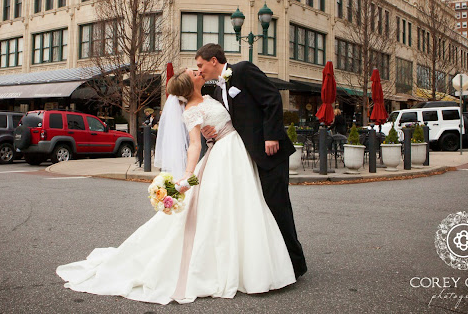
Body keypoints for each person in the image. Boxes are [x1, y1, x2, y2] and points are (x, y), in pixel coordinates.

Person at [56, 69, 295, 304]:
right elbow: (194, 144)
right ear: (190, 86)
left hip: (235, 152)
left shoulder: (210, 96)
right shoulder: (191, 111)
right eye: (194, 74)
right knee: (222, 209)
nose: (199, 72)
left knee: (243, 206)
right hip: (222, 155)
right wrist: (188, 177)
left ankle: (248, 263)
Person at [195, 43, 307, 279]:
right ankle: (272, 264)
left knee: (278, 207)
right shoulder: (216, 92)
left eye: (200, 65)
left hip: (270, 153)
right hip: (246, 158)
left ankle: (295, 265)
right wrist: (210, 133)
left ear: (213, 60)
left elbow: (272, 99)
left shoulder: (243, 70)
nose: (200, 70)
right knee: (260, 211)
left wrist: (271, 136)